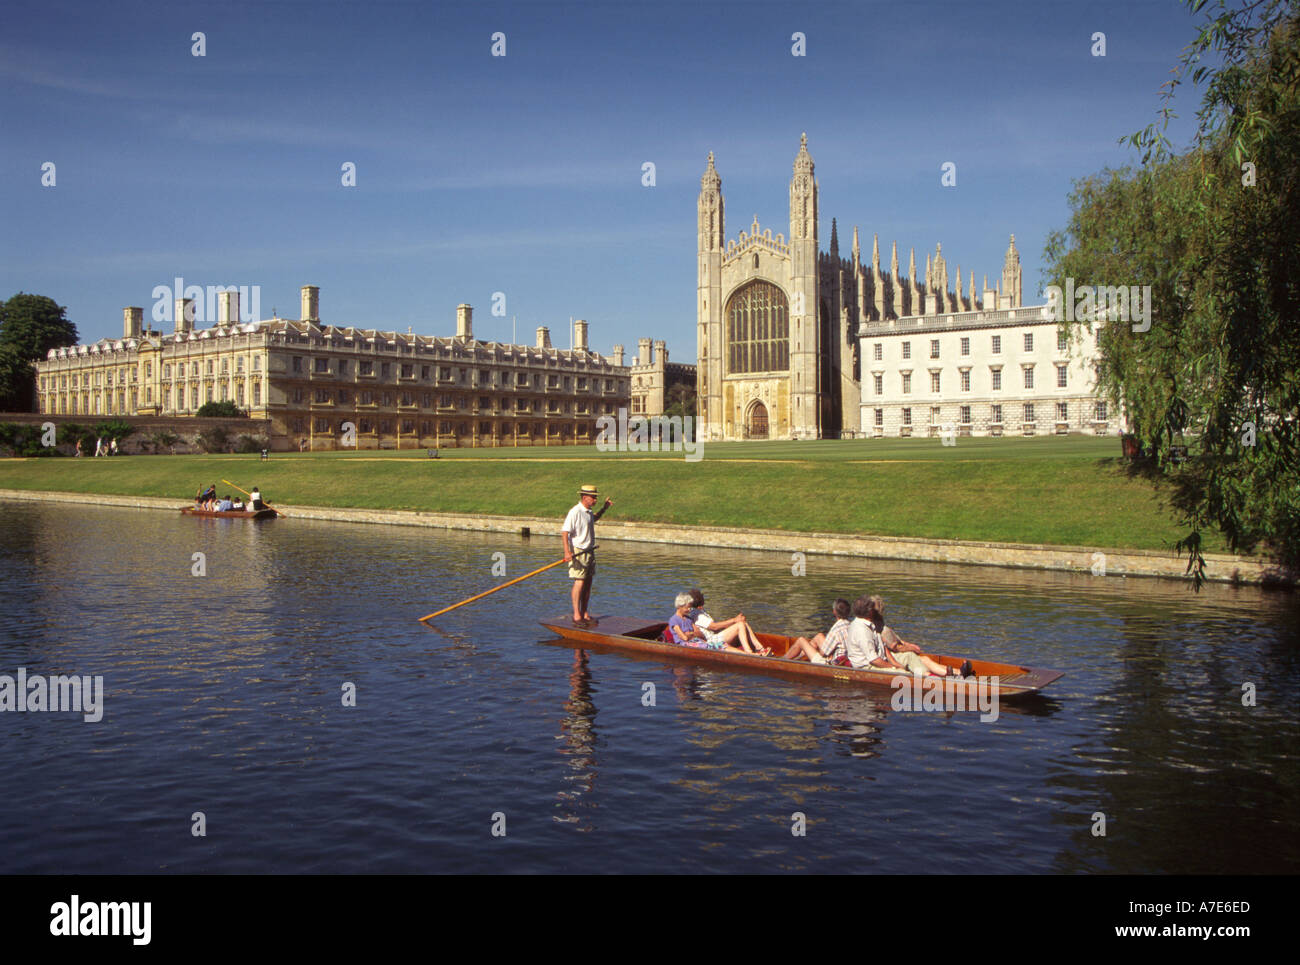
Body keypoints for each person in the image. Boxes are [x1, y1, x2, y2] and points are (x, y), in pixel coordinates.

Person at [869, 595, 972, 678]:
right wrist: (911, 648)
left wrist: (908, 644)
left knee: (925, 659)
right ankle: (953, 674)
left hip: (895, 653)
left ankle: (956, 672)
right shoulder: (879, 628)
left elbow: (897, 641)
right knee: (924, 660)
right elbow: (895, 646)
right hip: (894, 656)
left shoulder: (879, 624)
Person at [561, 484, 612, 624]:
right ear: (585, 497)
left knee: (588, 583)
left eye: (596, 497)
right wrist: (567, 552)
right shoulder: (575, 512)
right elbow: (565, 532)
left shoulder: (588, 512)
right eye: (593, 497)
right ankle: (577, 614)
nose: (595, 500)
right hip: (578, 551)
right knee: (580, 582)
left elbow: (593, 519)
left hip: (589, 550)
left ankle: (584, 612)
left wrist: (604, 508)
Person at [686, 588, 770, 655]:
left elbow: (716, 628)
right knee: (740, 625)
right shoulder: (697, 614)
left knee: (742, 623)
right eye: (702, 596)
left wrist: (734, 622)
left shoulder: (700, 611)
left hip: (715, 636)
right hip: (712, 641)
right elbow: (714, 626)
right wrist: (734, 620)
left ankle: (759, 648)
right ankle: (749, 652)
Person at [667, 593, 750, 652]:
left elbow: (699, 634)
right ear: (679, 606)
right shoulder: (674, 620)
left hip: (697, 641)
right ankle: (747, 655)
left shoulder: (688, 619)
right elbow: (684, 638)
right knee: (715, 646)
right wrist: (692, 634)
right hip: (686, 645)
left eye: (690, 607)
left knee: (722, 644)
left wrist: (690, 634)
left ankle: (747, 654)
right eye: (687, 608)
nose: (689, 610)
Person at [785, 598, 854, 665]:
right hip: (844, 658)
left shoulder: (836, 629)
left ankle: (782, 660)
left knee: (801, 640)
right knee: (819, 636)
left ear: (834, 612)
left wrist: (818, 653)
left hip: (831, 663)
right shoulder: (850, 625)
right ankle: (799, 659)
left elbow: (824, 653)